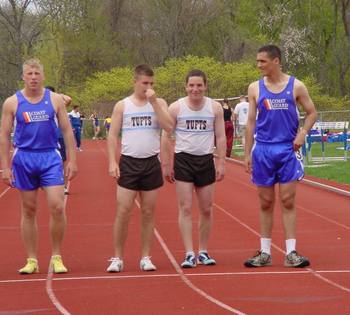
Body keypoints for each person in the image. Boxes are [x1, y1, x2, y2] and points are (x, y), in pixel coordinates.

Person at [0, 58, 77, 274]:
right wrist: (5, 167)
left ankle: (57, 256)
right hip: (24, 158)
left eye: (37, 74)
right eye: (29, 74)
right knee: (29, 209)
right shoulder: (12, 103)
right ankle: (32, 259)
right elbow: (4, 136)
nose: (33, 77)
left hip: (49, 157)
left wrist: (73, 160)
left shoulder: (54, 100)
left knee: (57, 206)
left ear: (43, 76)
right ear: (23, 76)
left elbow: (67, 130)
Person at [244, 45, 317, 268]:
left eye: (262, 61)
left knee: (287, 200)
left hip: (287, 149)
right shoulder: (255, 88)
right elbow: (250, 121)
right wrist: (247, 153)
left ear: (276, 61)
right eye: (257, 61)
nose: (258, 65)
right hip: (263, 150)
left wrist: (303, 133)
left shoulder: (297, 85)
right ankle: (265, 252)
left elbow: (312, 112)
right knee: (265, 202)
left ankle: (291, 252)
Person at [106, 64, 173, 272]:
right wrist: (112, 161)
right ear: (135, 82)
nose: (148, 87)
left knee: (148, 212)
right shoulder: (122, 105)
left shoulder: (159, 103)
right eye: (145, 83)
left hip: (151, 162)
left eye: (152, 83)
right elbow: (112, 134)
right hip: (129, 161)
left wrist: (154, 103)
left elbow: (169, 127)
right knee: (123, 210)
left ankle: (145, 256)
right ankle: (117, 257)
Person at [161, 69, 226, 268]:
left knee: (206, 209)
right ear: (186, 86)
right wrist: (166, 163)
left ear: (205, 86)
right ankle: (189, 253)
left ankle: (203, 251)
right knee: (186, 207)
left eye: (199, 85)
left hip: (205, 160)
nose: (195, 89)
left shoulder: (214, 108)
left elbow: (221, 136)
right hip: (183, 160)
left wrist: (221, 162)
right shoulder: (176, 108)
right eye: (191, 85)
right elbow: (166, 136)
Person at [46, 86, 72, 195]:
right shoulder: (42, 105)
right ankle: (49, 184)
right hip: (47, 138)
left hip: (59, 137)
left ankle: (65, 186)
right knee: (48, 163)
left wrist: (57, 95)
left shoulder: (58, 104)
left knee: (63, 162)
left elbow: (68, 99)